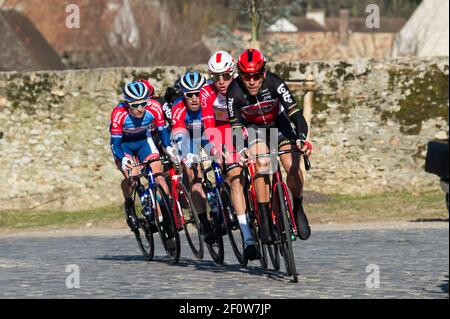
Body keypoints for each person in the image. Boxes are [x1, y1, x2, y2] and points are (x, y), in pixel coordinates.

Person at [226, 48, 313, 244]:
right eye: (247, 76)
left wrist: (301, 138)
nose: (252, 81)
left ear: (263, 73)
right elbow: (236, 126)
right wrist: (241, 149)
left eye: (256, 75)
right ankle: (265, 220)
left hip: (278, 124)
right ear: (240, 75)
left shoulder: (275, 83)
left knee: (292, 166)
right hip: (253, 129)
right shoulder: (234, 91)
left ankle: (297, 207)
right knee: (262, 162)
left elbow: (296, 115)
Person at [200, 50, 258, 260]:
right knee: (234, 176)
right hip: (217, 131)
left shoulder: (241, 85)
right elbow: (208, 125)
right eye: (216, 77)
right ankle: (247, 237)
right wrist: (217, 149)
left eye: (225, 75)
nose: (221, 81)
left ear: (233, 72)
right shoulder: (206, 92)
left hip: (241, 126)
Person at [110, 81, 174, 231]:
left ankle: (166, 215)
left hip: (144, 141)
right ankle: (129, 204)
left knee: (159, 175)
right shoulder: (119, 113)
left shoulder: (154, 107)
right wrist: (123, 158)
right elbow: (115, 144)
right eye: (135, 105)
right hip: (124, 145)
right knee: (133, 177)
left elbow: (163, 131)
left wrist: (169, 148)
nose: (140, 109)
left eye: (143, 104)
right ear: (127, 103)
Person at [171, 71, 220, 243]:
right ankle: (205, 223)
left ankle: (224, 199)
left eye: (198, 94)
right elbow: (178, 135)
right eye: (189, 95)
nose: (194, 98)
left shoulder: (212, 100)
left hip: (208, 134)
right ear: (183, 95)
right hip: (188, 138)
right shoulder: (178, 108)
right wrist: (187, 155)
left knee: (224, 161)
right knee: (193, 174)